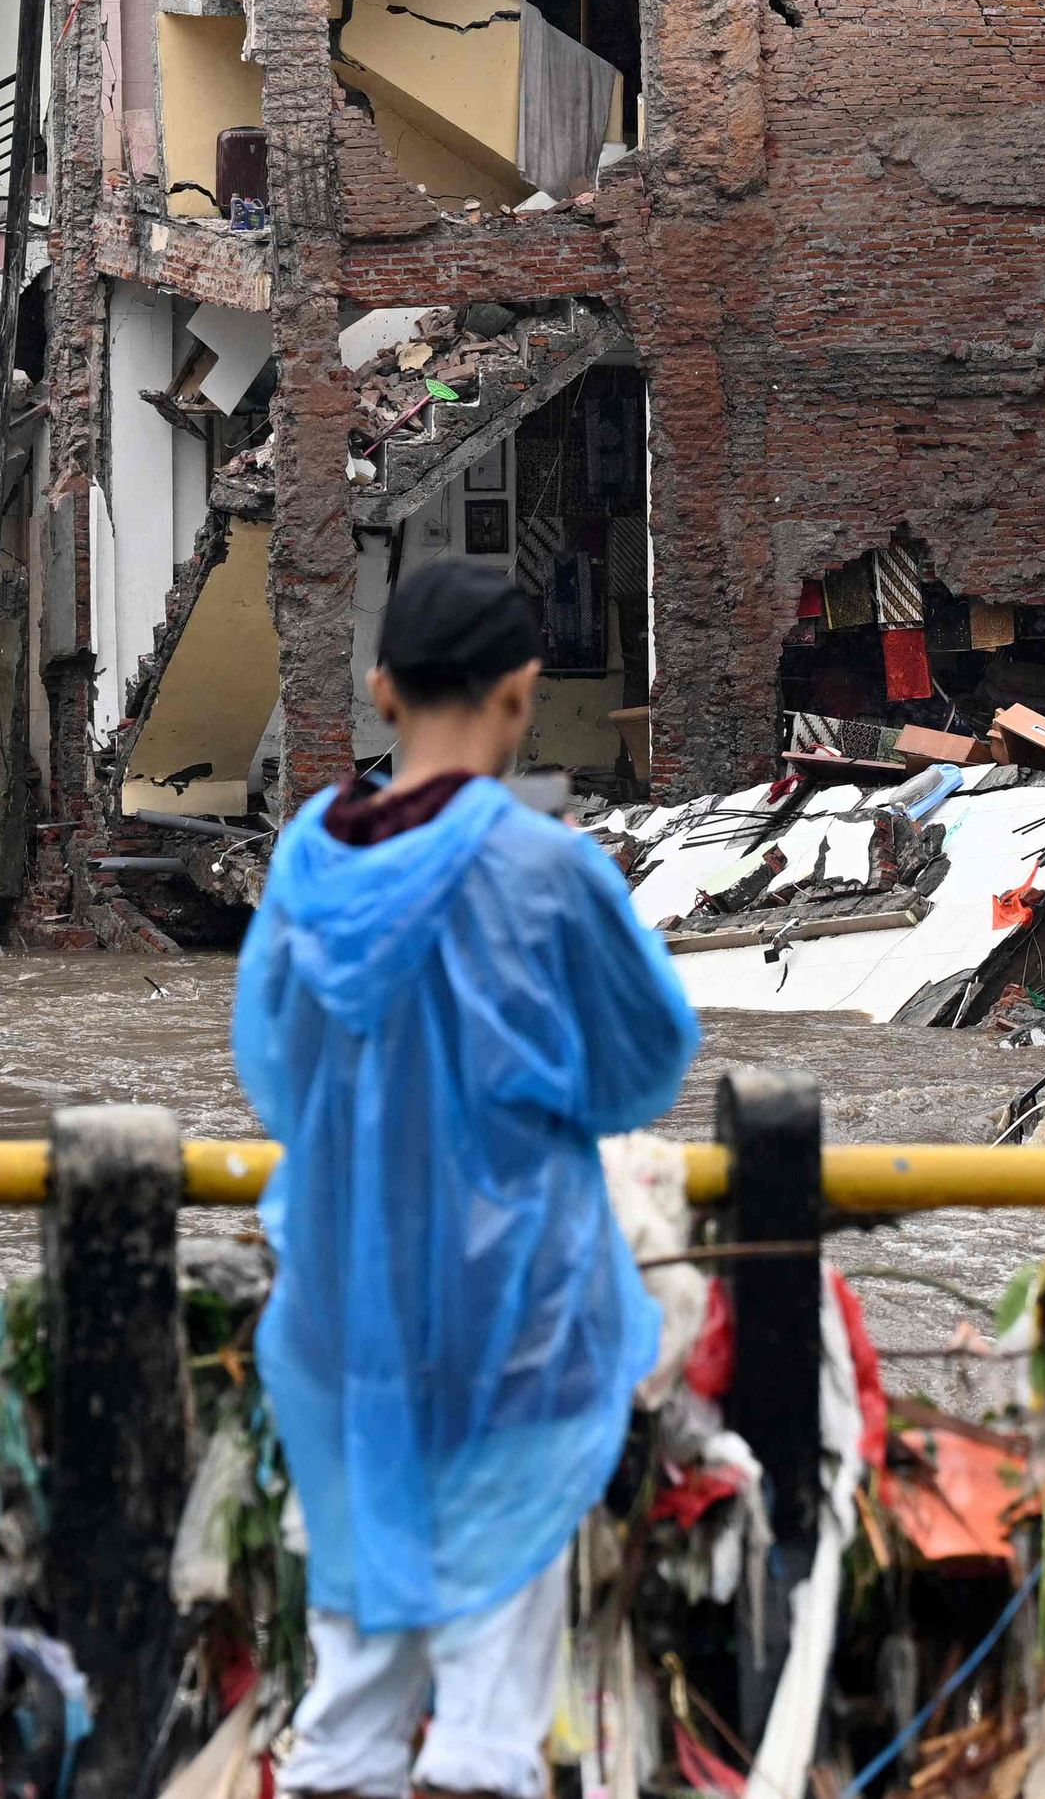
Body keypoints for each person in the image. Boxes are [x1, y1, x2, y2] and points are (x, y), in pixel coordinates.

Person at [236, 559, 701, 1799]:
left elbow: (273, 1074)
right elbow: (644, 1063)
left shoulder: (303, 864)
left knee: (348, 1702)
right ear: (520, 697)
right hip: (520, 1310)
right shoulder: (548, 868)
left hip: (346, 1308)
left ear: (382, 691)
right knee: (493, 1719)